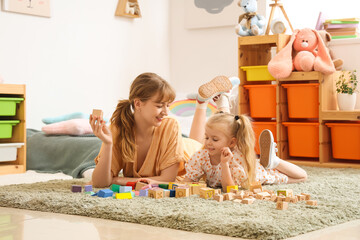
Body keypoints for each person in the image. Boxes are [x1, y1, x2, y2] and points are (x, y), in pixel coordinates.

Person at [183, 79, 307, 191]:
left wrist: (224, 163)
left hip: (255, 175)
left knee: (301, 177)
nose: (208, 142)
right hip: (247, 164)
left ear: (232, 143)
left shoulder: (236, 160)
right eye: (206, 137)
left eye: (214, 139)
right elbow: (188, 181)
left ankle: (275, 161)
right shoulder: (201, 156)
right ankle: (224, 100)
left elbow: (229, 189)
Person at [90, 72, 203, 187]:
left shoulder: (171, 125)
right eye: (159, 106)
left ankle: (204, 104)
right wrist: (108, 144)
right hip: (178, 144)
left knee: (212, 139)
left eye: (168, 105)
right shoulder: (118, 128)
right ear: (138, 104)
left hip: (193, 151)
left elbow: (167, 179)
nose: (166, 112)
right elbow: (99, 183)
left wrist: (118, 180)